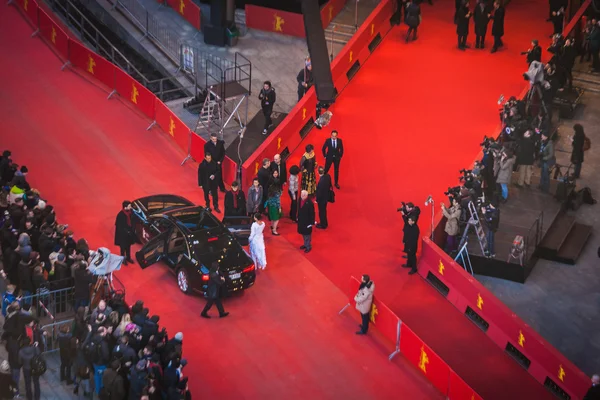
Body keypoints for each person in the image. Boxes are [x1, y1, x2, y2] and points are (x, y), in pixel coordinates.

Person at [114, 200, 135, 265]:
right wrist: (125, 231)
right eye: (129, 206)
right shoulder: (120, 215)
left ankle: (128, 258)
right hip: (122, 235)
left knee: (128, 247)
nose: (130, 207)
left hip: (129, 234)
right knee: (123, 248)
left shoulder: (131, 213)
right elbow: (118, 225)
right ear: (125, 207)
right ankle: (123, 259)